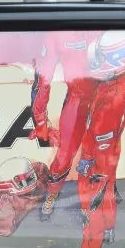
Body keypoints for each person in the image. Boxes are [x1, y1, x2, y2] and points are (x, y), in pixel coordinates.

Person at [70, 30, 125, 248]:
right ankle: (110, 230)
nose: (98, 61)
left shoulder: (111, 99)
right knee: (109, 192)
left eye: (103, 56)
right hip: (112, 150)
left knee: (92, 209)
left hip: (97, 159)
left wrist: (90, 165)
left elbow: (99, 137)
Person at [30, 30, 99, 219]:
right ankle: (53, 192)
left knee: (101, 153)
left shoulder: (105, 23)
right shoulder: (57, 34)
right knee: (64, 154)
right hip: (77, 100)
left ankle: (97, 198)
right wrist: (40, 120)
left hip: (106, 98)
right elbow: (43, 77)